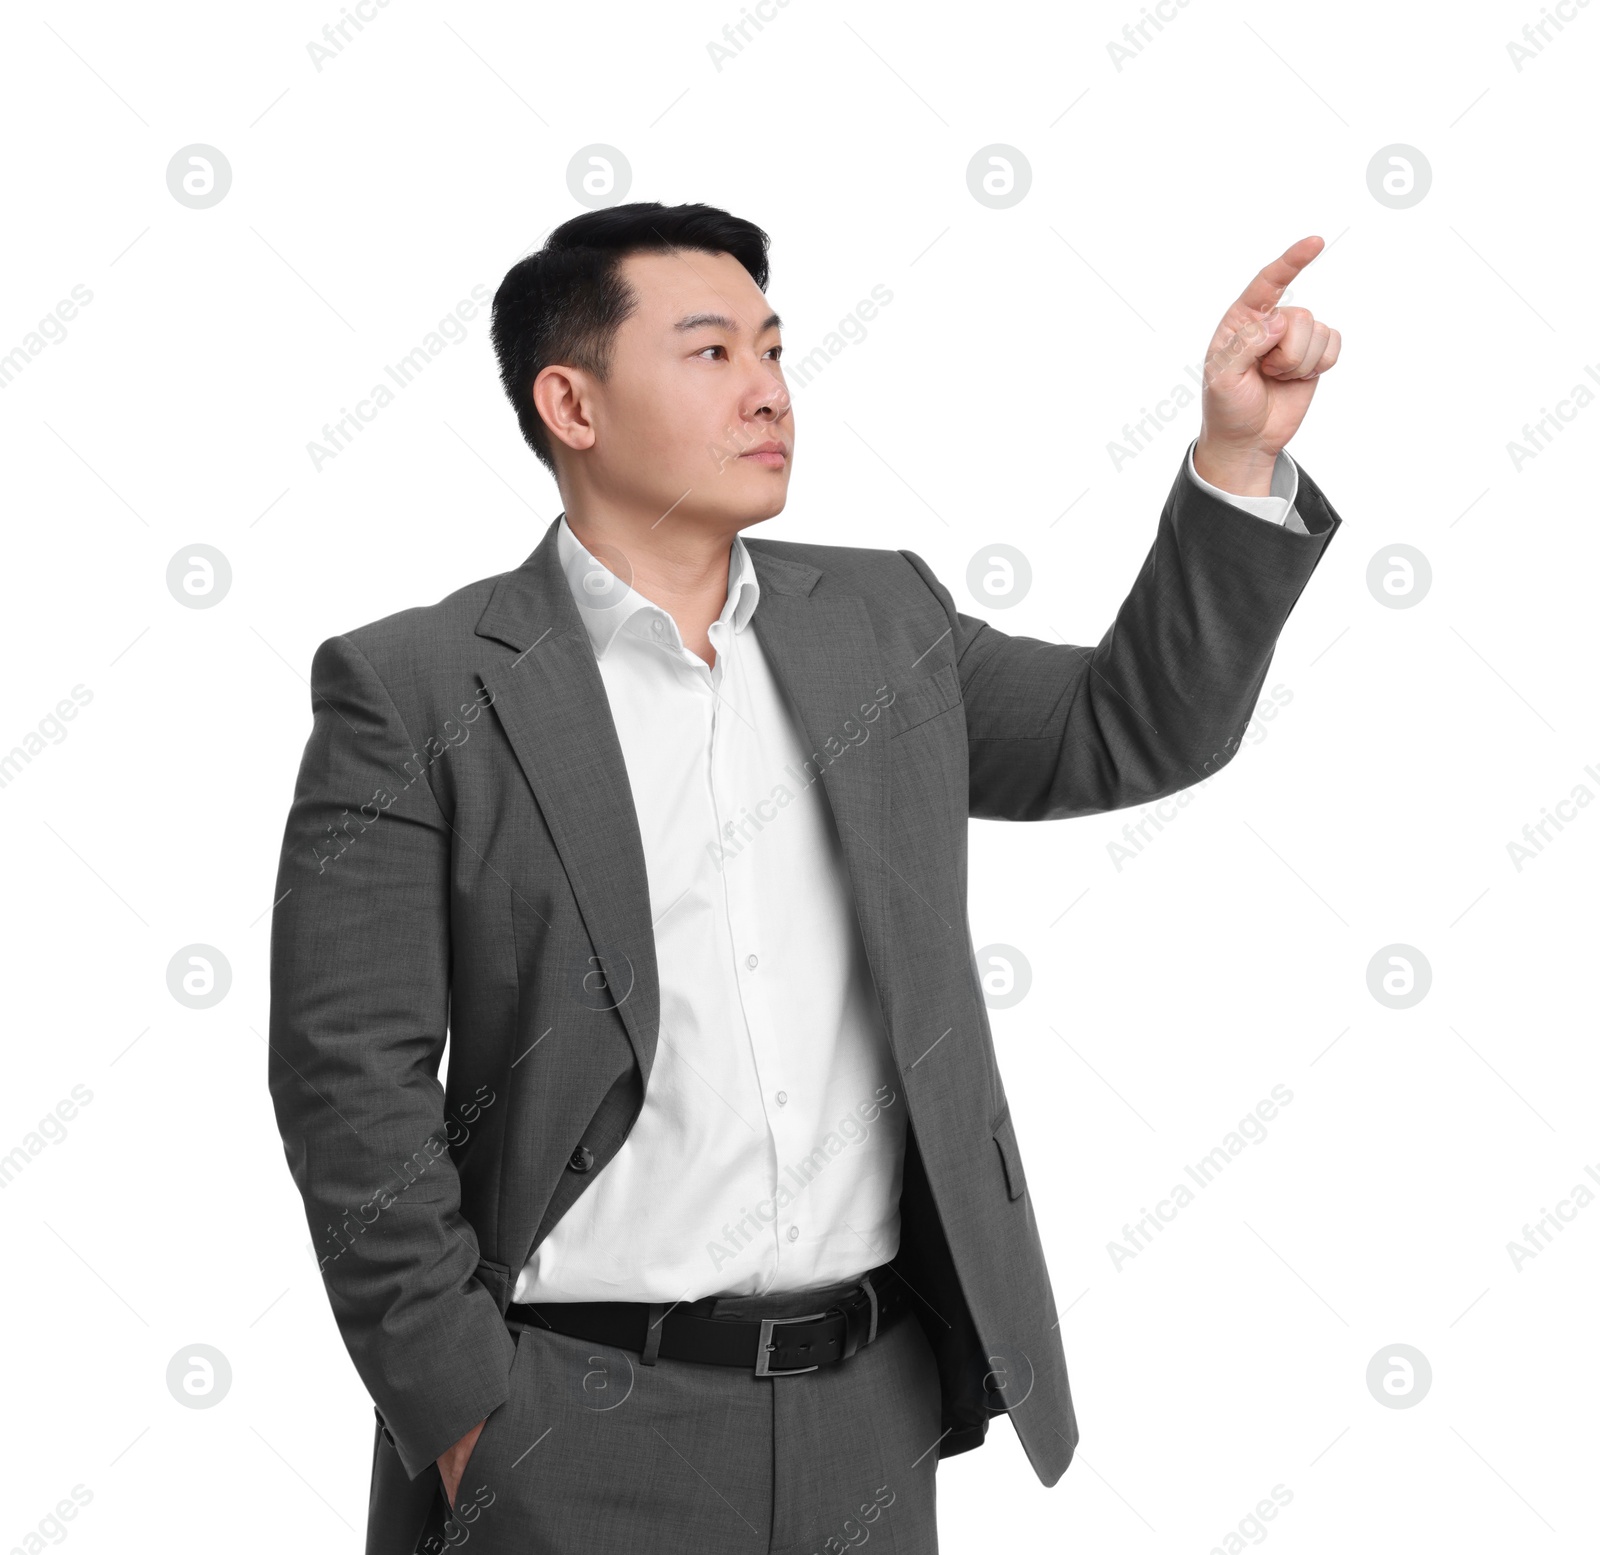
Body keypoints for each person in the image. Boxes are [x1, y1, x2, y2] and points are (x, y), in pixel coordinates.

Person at [267, 201, 1343, 1554]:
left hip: (868, 1413)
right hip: (569, 1423)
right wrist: (467, 1409)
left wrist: (1235, 454)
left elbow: (1126, 728)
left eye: (774, 349)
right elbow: (345, 1075)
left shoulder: (881, 623)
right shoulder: (417, 687)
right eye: (711, 353)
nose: (771, 389)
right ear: (572, 403)